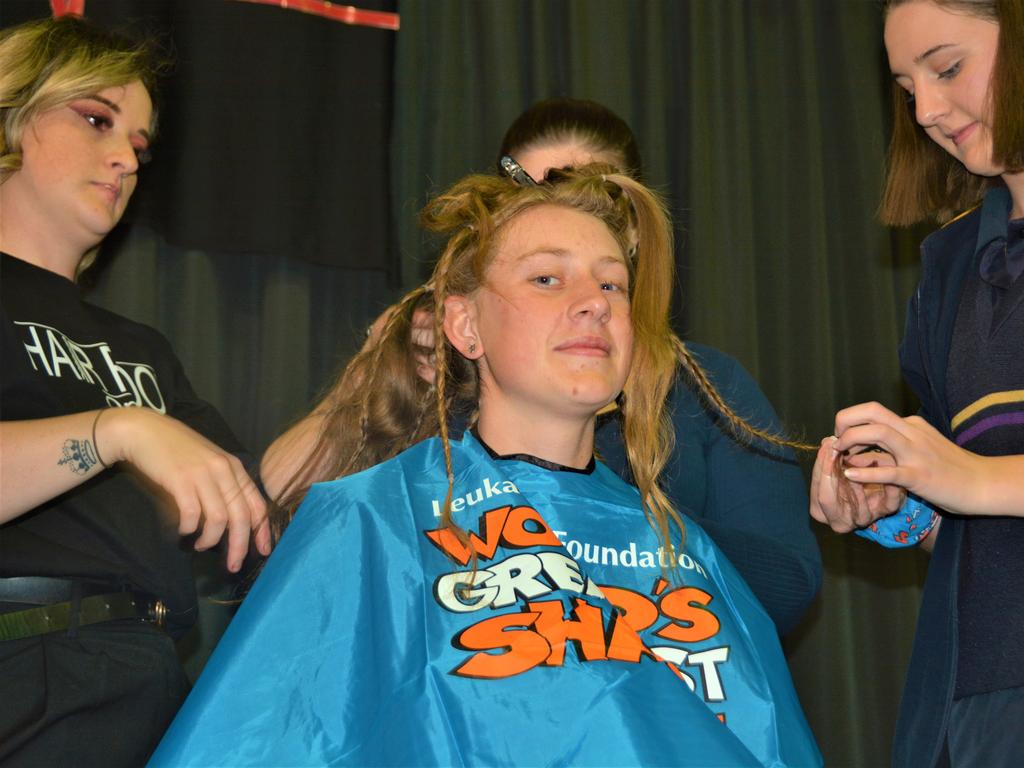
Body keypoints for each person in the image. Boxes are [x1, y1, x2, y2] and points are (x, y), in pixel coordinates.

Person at [151, 166, 822, 766]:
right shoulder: (369, 522)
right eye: (547, 277)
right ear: (465, 327)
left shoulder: (688, 552)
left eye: (613, 283)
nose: (595, 301)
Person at [262, 97, 823, 636]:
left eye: (590, 194)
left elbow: (787, 585)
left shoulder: (706, 386)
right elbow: (283, 509)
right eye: (528, 200)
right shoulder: (444, 370)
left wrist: (599, 519)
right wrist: (371, 376)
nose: (559, 216)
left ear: (631, 226)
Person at [0, 16, 269, 765]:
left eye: (141, 148)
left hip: (149, 687)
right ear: (13, 114)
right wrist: (116, 431)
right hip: (22, 672)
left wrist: (378, 383)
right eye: (96, 121)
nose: (124, 159)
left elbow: (253, 510)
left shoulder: (142, 349)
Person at [809, 1, 1024, 765]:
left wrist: (973, 478)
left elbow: (978, 481)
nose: (928, 110)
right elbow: (965, 522)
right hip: (969, 709)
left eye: (949, 67)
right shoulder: (951, 266)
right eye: (908, 88)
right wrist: (898, 502)